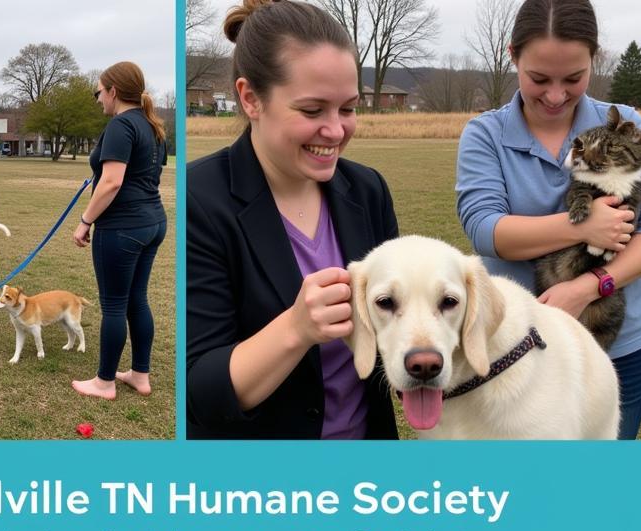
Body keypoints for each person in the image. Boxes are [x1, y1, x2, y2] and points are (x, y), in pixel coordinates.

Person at [456, 0, 641, 440]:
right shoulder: (485, 134)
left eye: (573, 78)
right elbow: (484, 229)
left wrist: (591, 287)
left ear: (593, 59)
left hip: (619, 346)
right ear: (512, 55)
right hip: (518, 349)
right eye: (539, 78)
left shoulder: (625, 124)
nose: (555, 95)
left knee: (597, 487)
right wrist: (582, 226)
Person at [186, 0, 399, 440]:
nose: (336, 131)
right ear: (250, 99)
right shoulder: (199, 201)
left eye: (348, 108)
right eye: (312, 110)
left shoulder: (368, 190)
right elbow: (199, 395)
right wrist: (296, 328)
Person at [71, 60, 168, 400]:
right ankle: (140, 375)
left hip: (123, 227)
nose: (98, 99)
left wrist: (85, 221)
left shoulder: (121, 125)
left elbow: (112, 181)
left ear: (113, 91)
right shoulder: (152, 125)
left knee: (114, 305)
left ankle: (104, 382)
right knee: (136, 299)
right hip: (152, 222)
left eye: (99, 92)